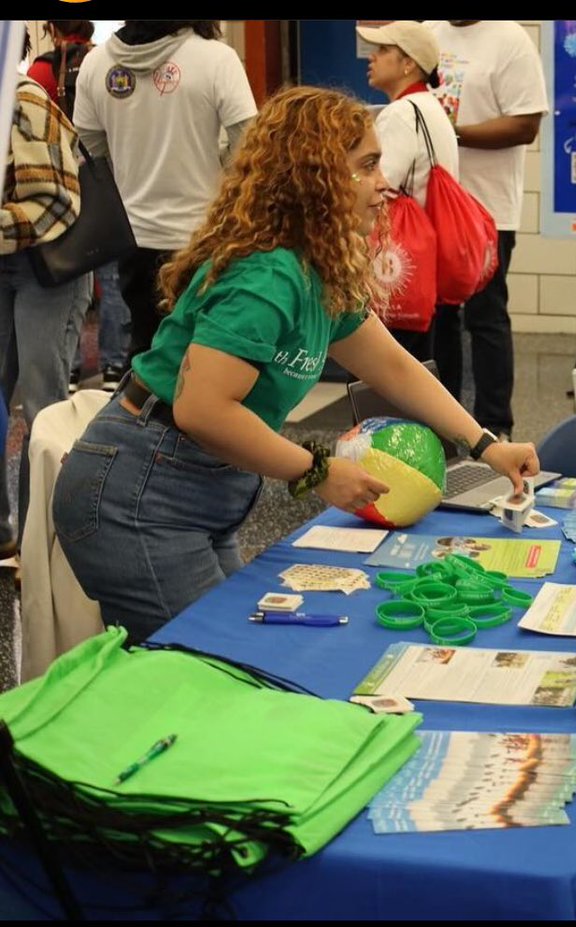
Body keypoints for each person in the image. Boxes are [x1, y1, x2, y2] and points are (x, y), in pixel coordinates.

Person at [51, 87, 540, 646]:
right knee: (214, 674)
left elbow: (395, 369)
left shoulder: (316, 269)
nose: (384, 184)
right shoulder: (269, 275)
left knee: (244, 655)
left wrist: (484, 445)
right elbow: (203, 410)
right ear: (314, 178)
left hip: (195, 488)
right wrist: (318, 471)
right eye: (367, 166)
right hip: (139, 494)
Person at [72, 20, 259, 364]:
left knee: (147, 351)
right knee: (208, 356)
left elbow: (90, 154)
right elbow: (250, 150)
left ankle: (136, 417)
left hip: (133, 240)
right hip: (205, 239)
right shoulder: (217, 59)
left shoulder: (95, 65)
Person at [426, 20, 548, 442]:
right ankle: (445, 420)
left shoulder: (510, 40)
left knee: (485, 317)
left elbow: (525, 125)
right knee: (439, 319)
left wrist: (449, 131)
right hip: (434, 208)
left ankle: (496, 425)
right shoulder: (429, 33)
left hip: (487, 211)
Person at [0, 32, 92, 560]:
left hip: (44, 269)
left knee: (42, 404)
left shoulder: (24, 99)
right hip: (13, 261)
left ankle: (43, 544)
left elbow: (56, 204)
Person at [26, 20, 132, 395]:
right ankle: (114, 364)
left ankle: (70, 368)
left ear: (53, 30)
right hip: (102, 185)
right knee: (111, 280)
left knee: (61, 275)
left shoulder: (41, 69)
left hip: (55, 190)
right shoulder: (101, 63)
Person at [357, 20, 459, 362]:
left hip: (398, 262)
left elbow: (379, 189)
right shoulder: (431, 110)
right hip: (423, 261)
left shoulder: (402, 114)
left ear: (408, 64)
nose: (372, 57)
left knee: (385, 373)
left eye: (383, 50)